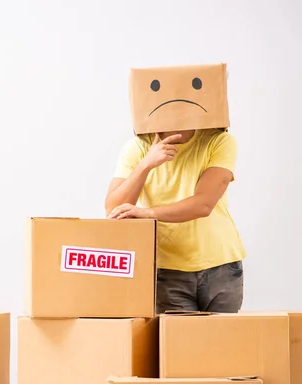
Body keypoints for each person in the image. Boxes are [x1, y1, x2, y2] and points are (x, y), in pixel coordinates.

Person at [105, 127, 246, 313]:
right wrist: (146, 164)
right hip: (168, 271)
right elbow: (114, 209)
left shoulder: (219, 140)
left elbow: (203, 204)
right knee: (180, 341)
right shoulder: (138, 147)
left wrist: (147, 213)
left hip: (221, 267)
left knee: (223, 341)